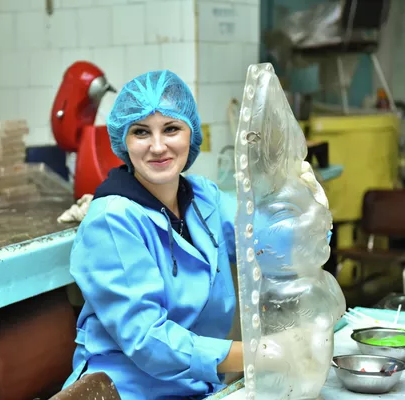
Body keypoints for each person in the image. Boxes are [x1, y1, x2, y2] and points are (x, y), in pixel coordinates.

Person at [62, 70, 328, 399]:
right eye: (141, 132)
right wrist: (260, 353)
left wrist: (303, 212)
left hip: (195, 387)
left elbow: (266, 243)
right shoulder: (112, 220)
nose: (157, 146)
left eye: (171, 129)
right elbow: (148, 341)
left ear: (191, 133)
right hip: (124, 390)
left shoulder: (204, 197)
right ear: (123, 141)